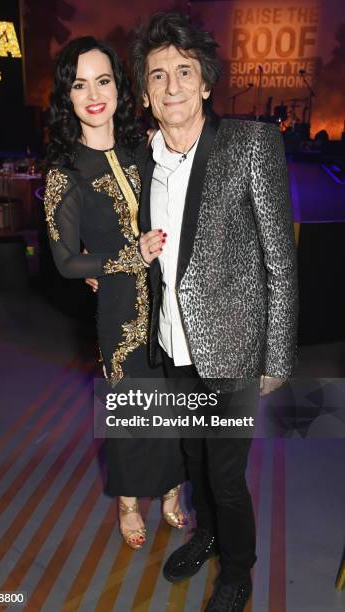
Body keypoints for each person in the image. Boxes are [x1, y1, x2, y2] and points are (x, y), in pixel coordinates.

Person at [132, 12, 298, 612]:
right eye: (158, 75)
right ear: (147, 95)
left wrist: (276, 356)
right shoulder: (142, 162)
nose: (171, 84)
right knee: (193, 458)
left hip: (233, 349)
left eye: (184, 71)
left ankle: (239, 568)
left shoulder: (250, 145)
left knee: (227, 476)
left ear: (205, 83)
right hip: (174, 344)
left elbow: (280, 259)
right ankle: (204, 535)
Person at [43, 36, 186, 550]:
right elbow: (64, 261)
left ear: (119, 88)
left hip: (169, 303)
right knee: (131, 412)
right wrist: (126, 259)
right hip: (120, 315)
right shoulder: (65, 173)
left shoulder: (141, 150)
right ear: (67, 97)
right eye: (79, 85)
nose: (93, 94)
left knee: (172, 407)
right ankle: (129, 503)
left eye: (103, 80)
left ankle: (172, 491)